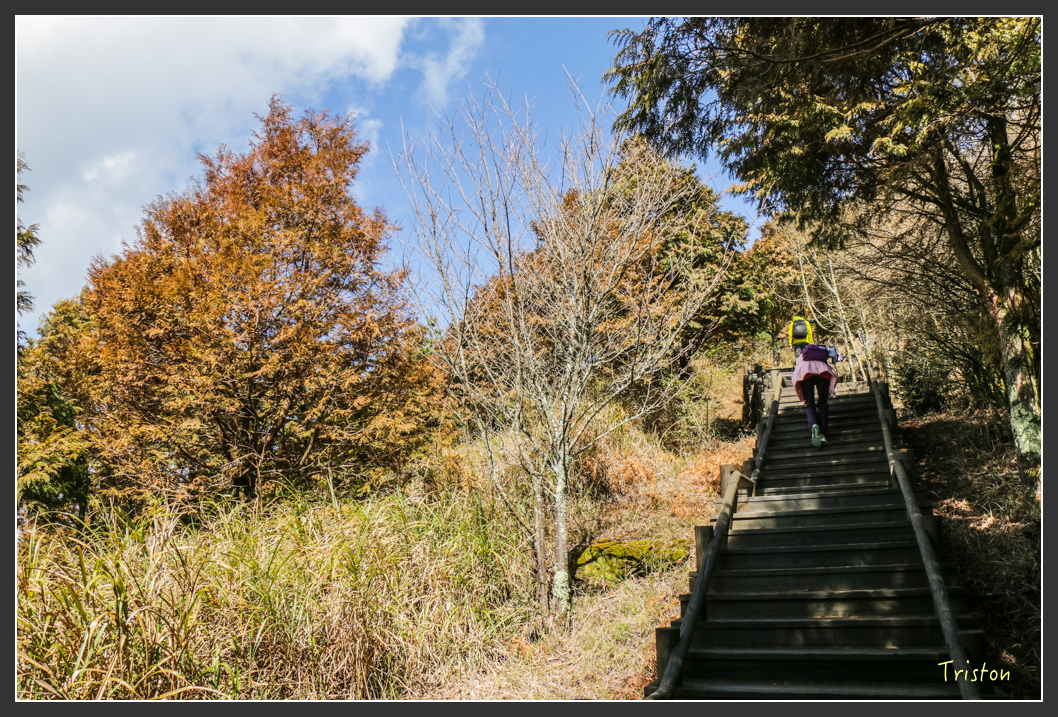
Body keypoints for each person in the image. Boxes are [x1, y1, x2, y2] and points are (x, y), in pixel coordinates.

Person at [793, 343, 838, 448]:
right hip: (824, 373)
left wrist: (801, 394)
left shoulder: (803, 355)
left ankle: (814, 425)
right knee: (822, 402)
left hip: (806, 373)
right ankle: (823, 432)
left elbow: (798, 368)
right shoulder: (821, 356)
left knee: (809, 403)